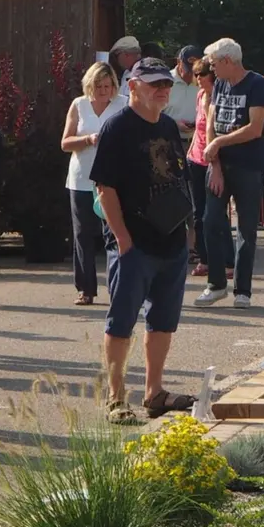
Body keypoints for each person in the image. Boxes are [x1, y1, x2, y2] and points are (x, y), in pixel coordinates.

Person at [89, 58, 195, 422]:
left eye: (166, 83)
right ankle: (116, 398)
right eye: (154, 84)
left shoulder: (167, 125)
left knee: (163, 321)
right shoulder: (117, 127)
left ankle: (154, 392)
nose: (163, 89)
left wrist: (188, 232)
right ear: (133, 87)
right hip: (134, 242)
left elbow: (179, 179)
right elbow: (105, 188)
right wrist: (122, 240)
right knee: (121, 321)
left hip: (171, 241)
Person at [195, 38, 264, 309]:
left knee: (246, 229)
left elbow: (255, 128)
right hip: (220, 166)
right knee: (211, 221)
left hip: (248, 166)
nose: (211, 69)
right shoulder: (219, 85)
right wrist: (215, 164)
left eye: (214, 64)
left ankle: (243, 290)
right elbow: (211, 122)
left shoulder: (257, 84)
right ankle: (216, 285)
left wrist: (219, 143)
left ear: (228, 61)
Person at [61, 62, 122, 305]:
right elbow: (65, 143)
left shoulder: (123, 104)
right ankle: (86, 289)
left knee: (115, 234)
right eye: (98, 87)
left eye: (107, 86)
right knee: (83, 235)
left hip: (113, 179)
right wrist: (87, 139)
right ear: (90, 86)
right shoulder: (79, 104)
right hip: (81, 179)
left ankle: (119, 287)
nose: (103, 91)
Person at [186, 58, 233, 277]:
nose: (198, 78)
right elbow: (199, 129)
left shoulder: (218, 97)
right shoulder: (200, 95)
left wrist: (216, 164)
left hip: (213, 161)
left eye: (202, 74)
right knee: (198, 213)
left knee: (215, 214)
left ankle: (229, 261)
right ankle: (204, 259)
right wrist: (190, 151)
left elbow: (215, 130)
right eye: (196, 75)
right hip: (196, 158)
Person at [164, 44, 201, 144]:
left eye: (195, 70)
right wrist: (174, 123)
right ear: (178, 62)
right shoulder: (165, 81)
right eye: (188, 70)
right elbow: (154, 111)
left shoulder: (203, 81)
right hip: (169, 141)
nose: (191, 74)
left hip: (195, 141)